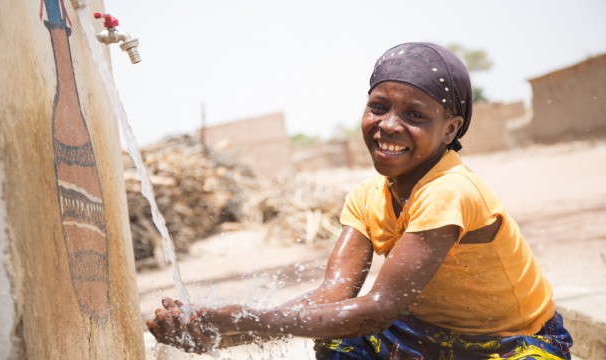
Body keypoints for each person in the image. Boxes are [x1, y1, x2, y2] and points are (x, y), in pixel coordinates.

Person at [146, 42, 573, 359]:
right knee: (337, 339)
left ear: (450, 130)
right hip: (423, 336)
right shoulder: (368, 195)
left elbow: (379, 309)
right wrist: (224, 330)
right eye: (378, 107)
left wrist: (237, 319)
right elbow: (334, 293)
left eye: (415, 115)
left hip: (511, 344)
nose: (389, 125)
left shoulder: (450, 191)